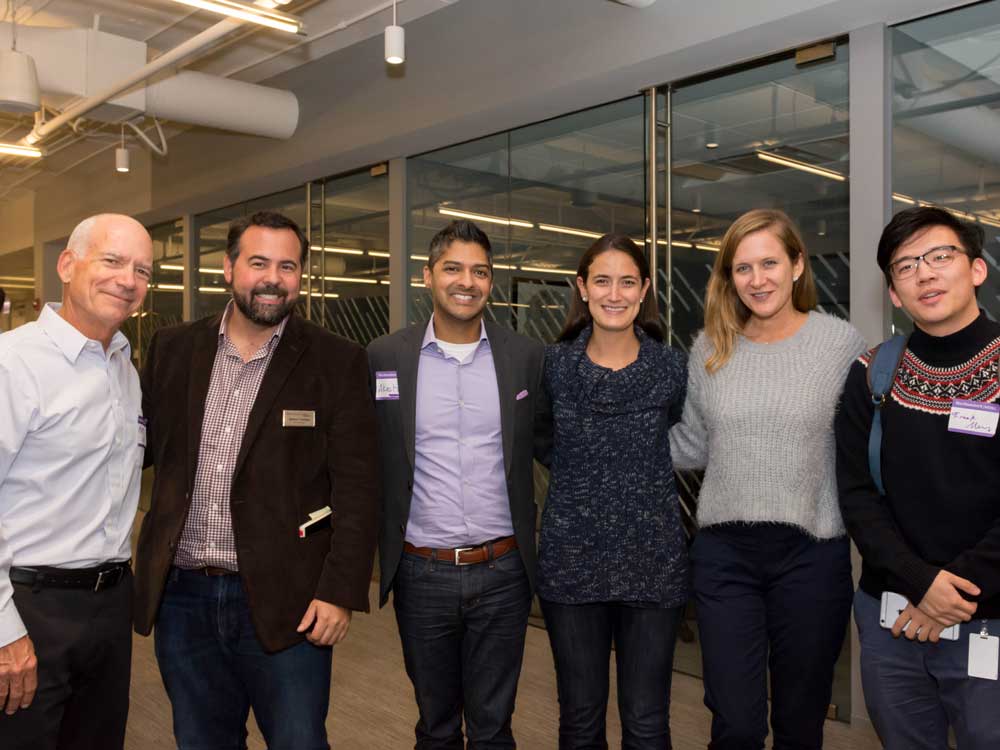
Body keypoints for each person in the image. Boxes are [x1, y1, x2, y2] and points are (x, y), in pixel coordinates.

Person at [133, 210, 379, 750]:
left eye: (287, 266)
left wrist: (339, 592)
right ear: (228, 268)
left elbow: (359, 488)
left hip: (289, 601)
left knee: (298, 741)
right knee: (201, 740)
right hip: (183, 597)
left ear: (301, 277)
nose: (272, 278)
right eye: (259, 262)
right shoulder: (173, 349)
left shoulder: (336, 361)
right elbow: (137, 452)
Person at [670, 209, 865, 749]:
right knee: (735, 720)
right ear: (728, 278)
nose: (757, 280)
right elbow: (692, 442)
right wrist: (611, 443)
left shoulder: (839, 344)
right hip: (724, 555)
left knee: (801, 721)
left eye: (770, 263)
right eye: (742, 268)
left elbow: (862, 447)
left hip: (811, 553)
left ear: (798, 265)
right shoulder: (711, 347)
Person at [368, 220, 547, 749]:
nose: (466, 281)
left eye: (480, 271)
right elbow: (361, 454)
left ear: (490, 282)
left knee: (494, 728)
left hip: (504, 572)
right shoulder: (385, 358)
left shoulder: (525, 358)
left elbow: (552, 441)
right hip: (422, 574)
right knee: (436, 726)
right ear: (428, 276)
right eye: (453, 268)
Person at [835, 206, 1000, 750]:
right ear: (895, 295)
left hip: (988, 617)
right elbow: (857, 495)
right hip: (891, 619)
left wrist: (951, 591)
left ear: (977, 269)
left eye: (940, 256)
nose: (924, 273)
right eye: (905, 267)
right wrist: (919, 583)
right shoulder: (871, 373)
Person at [0, 214, 153, 750]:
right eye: (112, 261)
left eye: (142, 270)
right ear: (67, 264)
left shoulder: (125, 369)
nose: (128, 279)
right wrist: (3, 632)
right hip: (29, 605)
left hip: (110, 605)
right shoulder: (13, 362)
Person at [537, 234, 688, 749]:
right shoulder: (553, 367)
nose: (614, 293)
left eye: (628, 281)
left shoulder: (671, 368)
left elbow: (674, 435)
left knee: (647, 724)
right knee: (580, 721)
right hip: (571, 562)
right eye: (601, 280)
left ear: (644, 290)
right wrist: (585, 482)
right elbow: (541, 437)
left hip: (652, 562)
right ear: (582, 288)